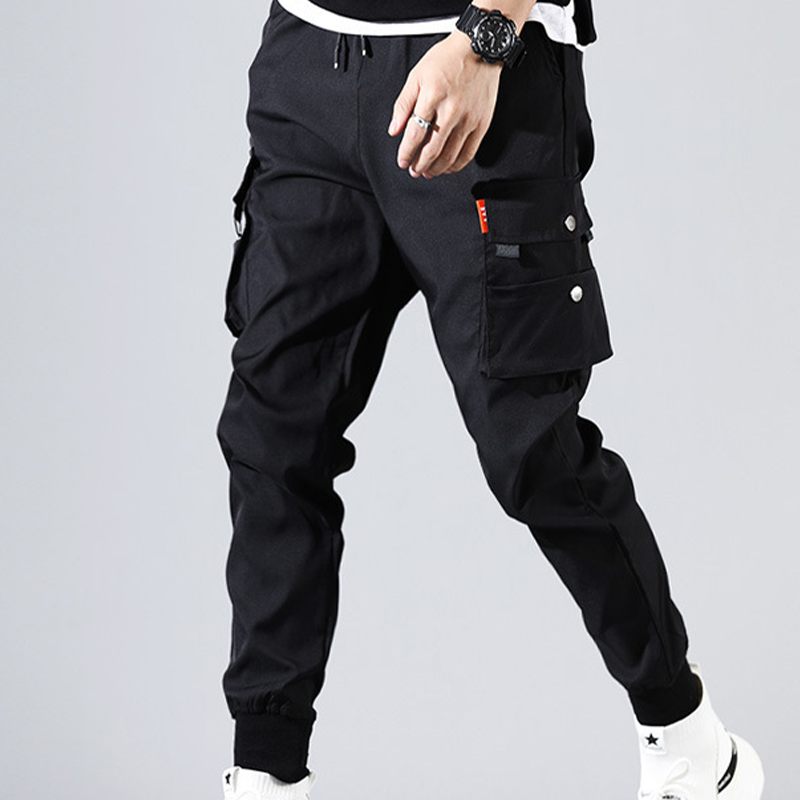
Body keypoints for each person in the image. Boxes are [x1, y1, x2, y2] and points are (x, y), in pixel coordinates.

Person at [215, 1, 765, 798]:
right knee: (272, 437)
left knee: (532, 452)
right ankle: (266, 772)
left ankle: (688, 742)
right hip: (310, 64)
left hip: (477, 65)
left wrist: (485, 37)